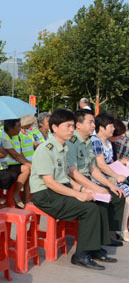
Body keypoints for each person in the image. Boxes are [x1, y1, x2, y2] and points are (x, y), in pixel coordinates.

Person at [30, 109, 117, 271]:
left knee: (98, 201)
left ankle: (94, 247)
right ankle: (81, 255)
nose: (72, 130)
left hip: (60, 189)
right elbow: (50, 183)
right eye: (68, 126)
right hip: (45, 195)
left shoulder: (62, 148)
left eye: (72, 126)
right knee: (89, 209)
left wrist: (84, 189)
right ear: (54, 128)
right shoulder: (46, 149)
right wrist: (78, 194)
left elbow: (66, 178)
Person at [66, 110, 127, 243]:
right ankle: (97, 242)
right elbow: (73, 173)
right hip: (76, 182)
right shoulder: (72, 142)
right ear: (79, 125)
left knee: (117, 195)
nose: (94, 125)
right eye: (90, 122)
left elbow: (93, 169)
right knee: (101, 201)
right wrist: (96, 188)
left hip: (87, 179)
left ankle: (108, 235)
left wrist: (111, 185)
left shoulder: (88, 141)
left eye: (94, 122)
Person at [91, 113, 129, 242]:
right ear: (102, 128)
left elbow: (110, 163)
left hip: (109, 176)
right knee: (124, 192)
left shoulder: (107, 142)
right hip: (99, 178)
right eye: (111, 126)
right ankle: (121, 229)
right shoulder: (95, 141)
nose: (113, 129)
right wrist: (117, 175)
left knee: (125, 189)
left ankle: (120, 228)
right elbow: (101, 165)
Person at [0, 119, 31, 207]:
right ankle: (16, 194)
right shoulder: (3, 137)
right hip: (4, 164)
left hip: (14, 163)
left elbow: (20, 154)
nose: (20, 128)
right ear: (9, 127)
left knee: (29, 169)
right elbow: (15, 155)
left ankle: (27, 200)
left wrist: (30, 164)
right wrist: (29, 165)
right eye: (18, 126)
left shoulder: (16, 136)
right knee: (27, 169)